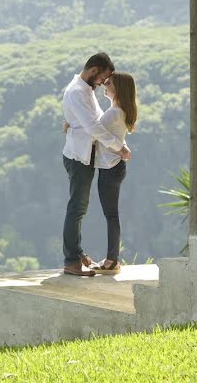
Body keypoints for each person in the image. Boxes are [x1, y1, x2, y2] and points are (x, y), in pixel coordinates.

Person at [61, 53, 130, 277]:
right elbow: (94, 127)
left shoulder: (85, 90)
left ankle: (76, 253)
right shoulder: (77, 92)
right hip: (79, 157)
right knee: (77, 209)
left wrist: (71, 125)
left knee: (80, 209)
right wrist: (118, 146)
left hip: (88, 156)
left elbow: (98, 119)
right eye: (103, 78)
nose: (103, 83)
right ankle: (71, 262)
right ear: (93, 71)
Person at [90, 71, 137, 275]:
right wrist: (122, 147)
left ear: (117, 88)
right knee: (112, 215)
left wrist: (70, 125)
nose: (104, 85)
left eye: (108, 83)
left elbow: (94, 132)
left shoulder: (113, 113)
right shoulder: (119, 111)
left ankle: (111, 260)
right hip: (115, 167)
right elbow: (114, 135)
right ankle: (112, 258)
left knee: (111, 215)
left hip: (109, 168)